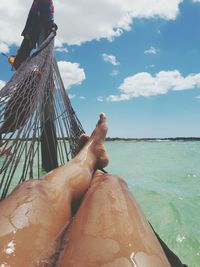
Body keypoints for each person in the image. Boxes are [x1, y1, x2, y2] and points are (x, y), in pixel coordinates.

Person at [13, 0, 55, 70]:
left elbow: (48, 16)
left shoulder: (46, 3)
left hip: (41, 28)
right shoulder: (40, 3)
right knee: (27, 49)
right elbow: (32, 16)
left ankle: (39, 68)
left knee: (41, 49)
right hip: (34, 29)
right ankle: (23, 64)